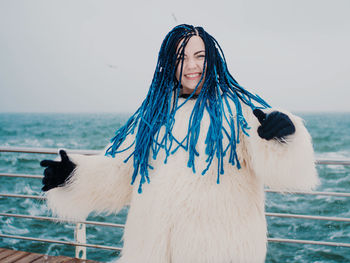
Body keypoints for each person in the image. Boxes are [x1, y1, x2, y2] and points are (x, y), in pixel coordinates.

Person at [40, 24, 319, 263]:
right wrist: (74, 175)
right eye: (181, 58)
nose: (192, 66)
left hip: (219, 251)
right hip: (150, 250)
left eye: (199, 56)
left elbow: (281, 165)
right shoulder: (153, 115)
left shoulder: (239, 111)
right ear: (168, 63)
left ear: (213, 60)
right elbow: (122, 172)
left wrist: (285, 135)